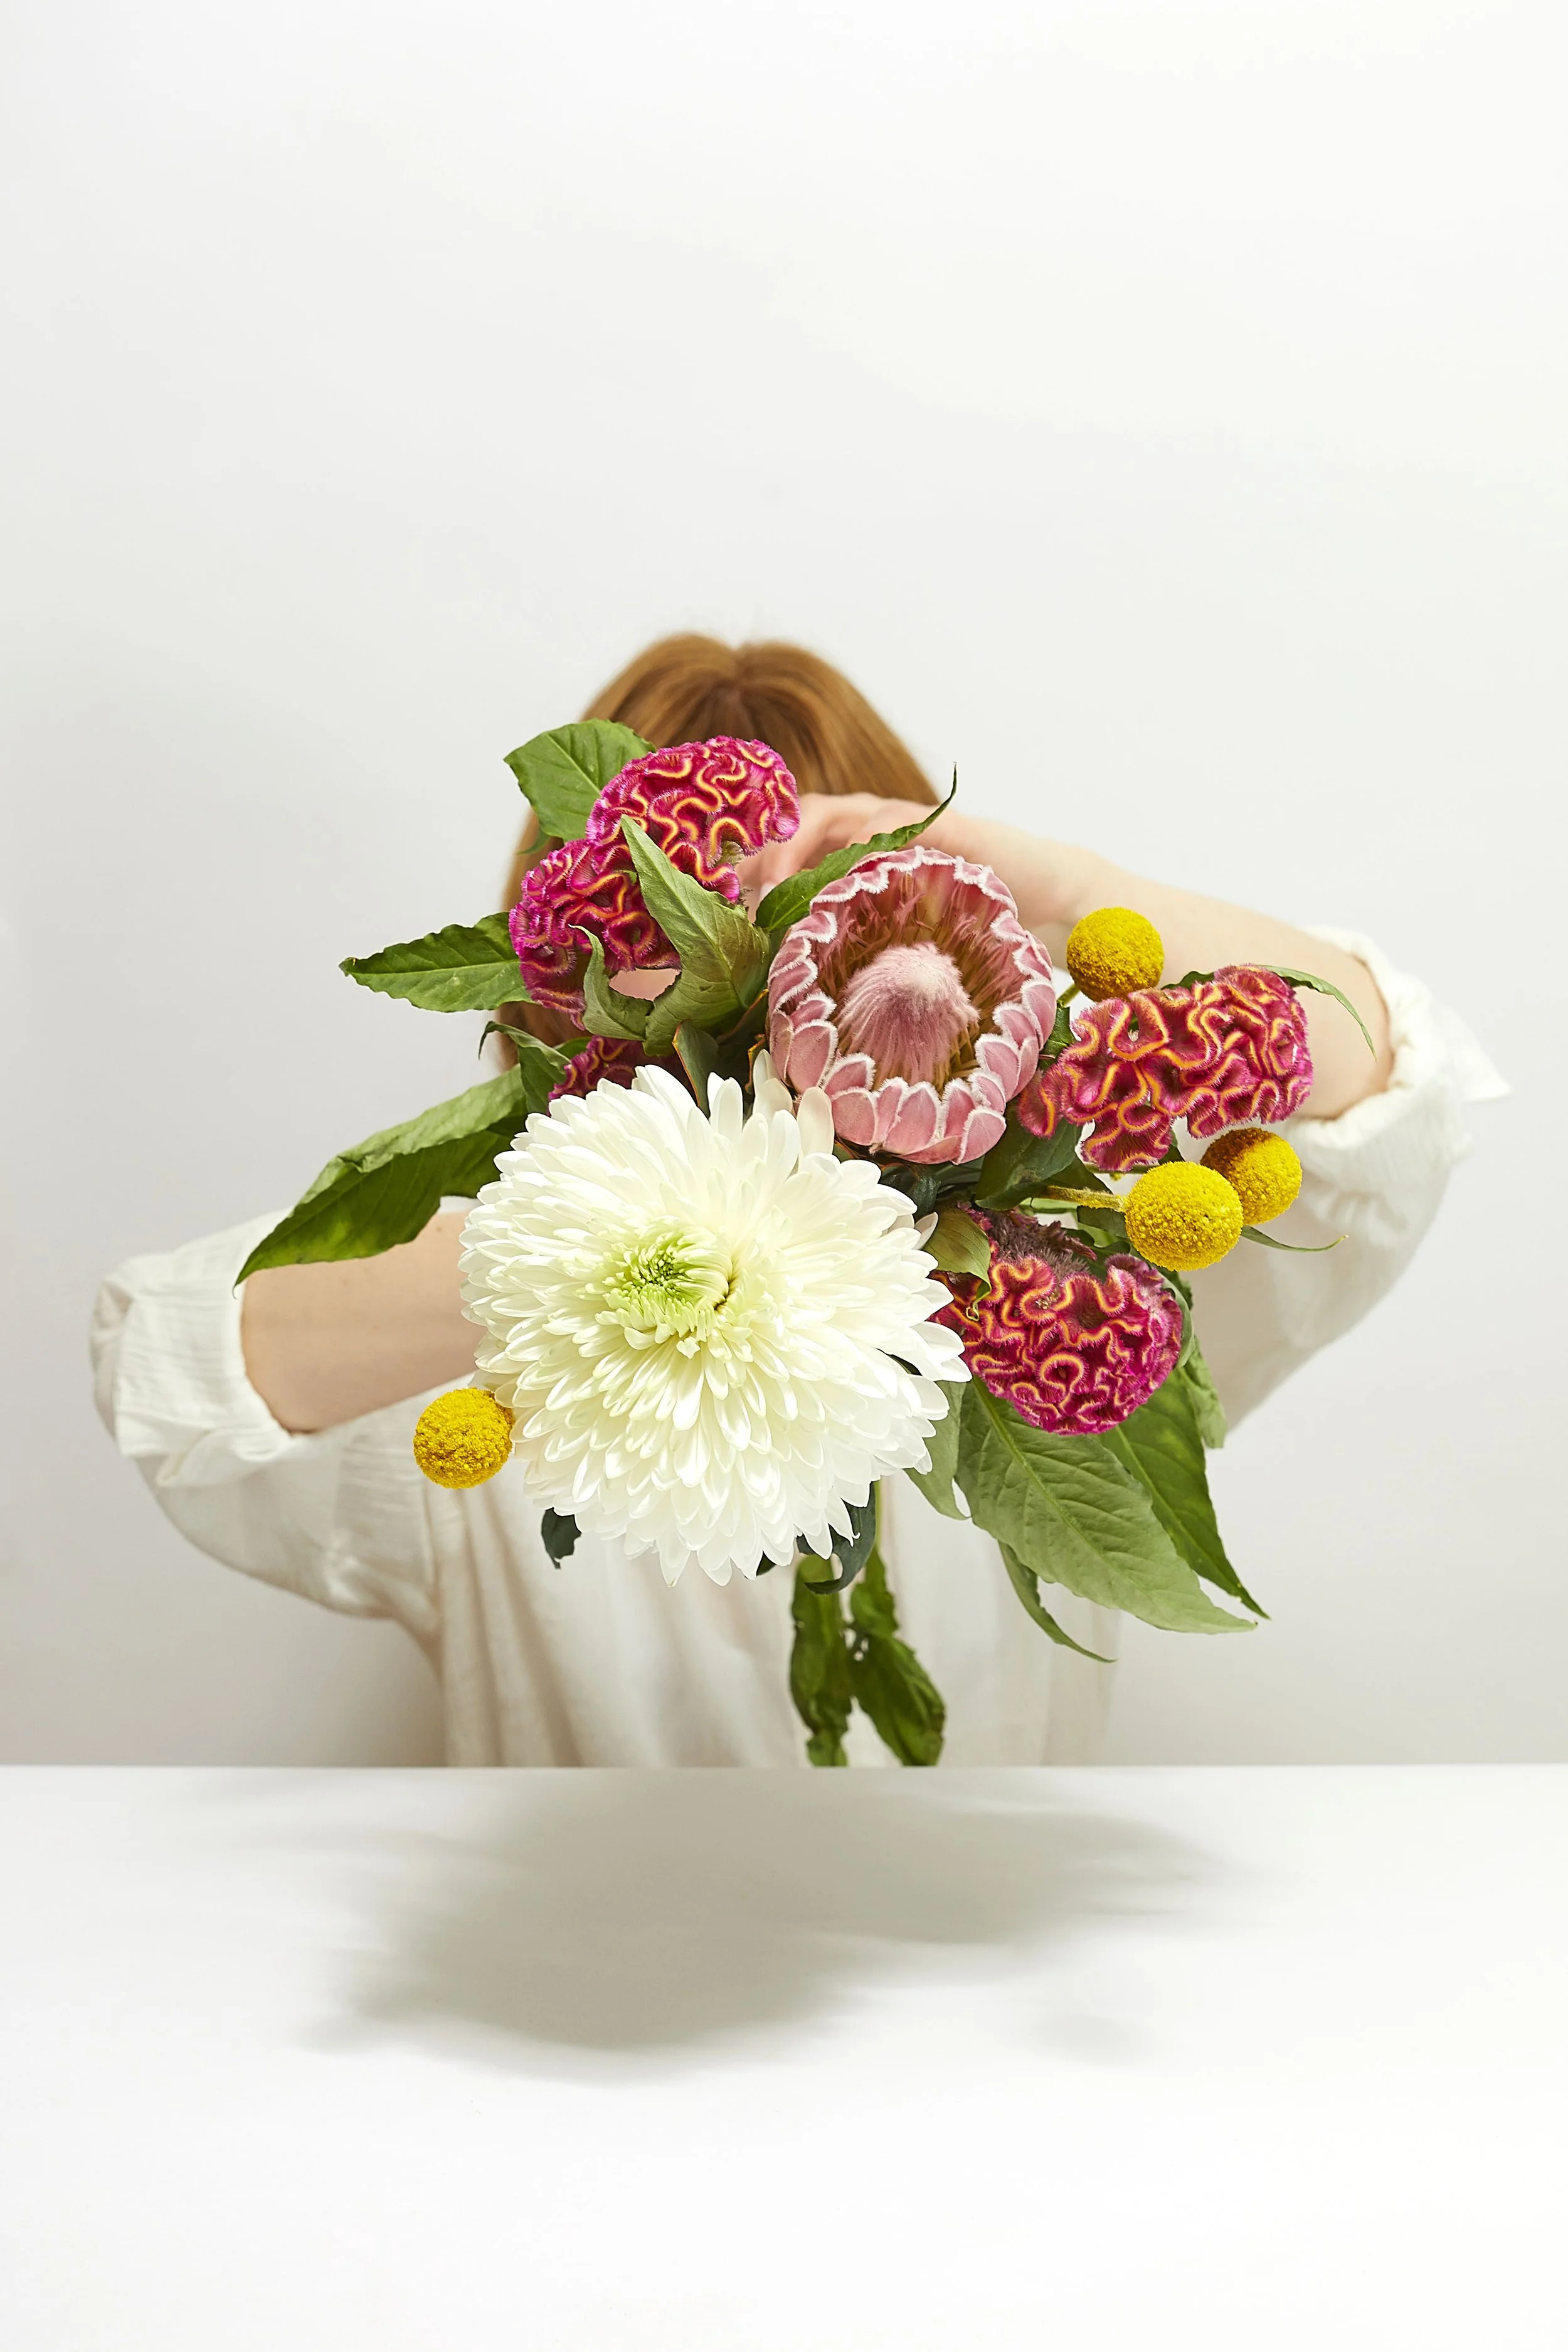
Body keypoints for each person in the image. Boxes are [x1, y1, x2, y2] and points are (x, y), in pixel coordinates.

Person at [92, 635, 1504, 1766]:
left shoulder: (1069, 1285)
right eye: (701, 945)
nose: (762, 999)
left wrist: (1062, 889)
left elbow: (1399, 1094)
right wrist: (614, 1228)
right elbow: (166, 1367)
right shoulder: (497, 1376)